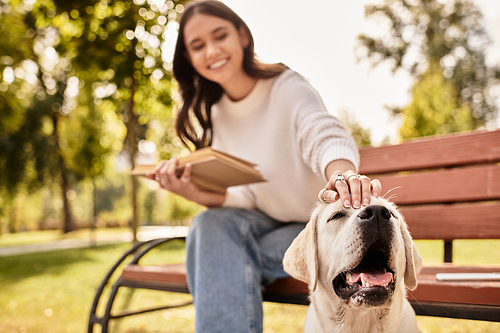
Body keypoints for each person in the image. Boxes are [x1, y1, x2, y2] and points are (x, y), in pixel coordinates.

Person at [150, 1, 382, 332]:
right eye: (198, 46)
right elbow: (245, 197)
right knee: (209, 225)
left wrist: (341, 176)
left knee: (218, 251)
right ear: (189, 58)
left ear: (242, 35)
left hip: (314, 232)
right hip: (265, 230)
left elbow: (324, 134)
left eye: (220, 36)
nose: (212, 50)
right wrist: (189, 191)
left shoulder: (287, 87)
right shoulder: (215, 116)